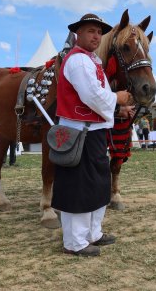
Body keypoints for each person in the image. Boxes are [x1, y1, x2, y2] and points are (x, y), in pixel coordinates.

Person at [51, 13, 133, 257]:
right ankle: (74, 243)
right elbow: (92, 96)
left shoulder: (93, 61)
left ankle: (92, 233)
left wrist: (119, 108)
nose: (96, 36)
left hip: (93, 133)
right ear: (78, 34)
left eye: (99, 32)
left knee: (97, 186)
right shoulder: (78, 61)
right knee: (79, 188)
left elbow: (97, 98)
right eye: (90, 31)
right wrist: (117, 98)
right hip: (79, 134)